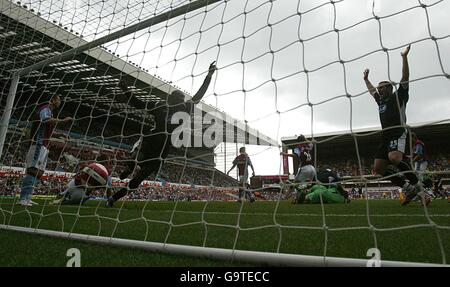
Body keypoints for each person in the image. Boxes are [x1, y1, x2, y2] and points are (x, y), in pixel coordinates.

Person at [107, 62, 217, 207]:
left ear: (170, 98)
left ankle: (128, 170)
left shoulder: (162, 106)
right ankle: (115, 195)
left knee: (138, 164)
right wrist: (209, 75)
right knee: (138, 178)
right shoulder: (184, 107)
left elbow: (137, 103)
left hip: (153, 142)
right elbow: (199, 94)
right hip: (162, 146)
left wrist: (125, 89)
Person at [363, 44, 429, 206]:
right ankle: (408, 188)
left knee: (394, 158)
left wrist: (404, 58)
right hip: (385, 135)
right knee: (378, 168)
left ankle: (421, 189)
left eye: (382, 87)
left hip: (398, 131)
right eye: (378, 87)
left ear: (389, 88)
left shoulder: (399, 95)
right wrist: (366, 80)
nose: (379, 89)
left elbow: (405, 78)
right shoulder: (381, 100)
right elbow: (371, 91)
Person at [18, 94, 73, 206]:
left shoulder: (50, 112)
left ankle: (28, 197)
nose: (60, 102)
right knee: (33, 170)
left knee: (38, 173)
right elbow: (45, 120)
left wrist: (60, 135)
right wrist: (62, 121)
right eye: (58, 99)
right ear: (51, 100)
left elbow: (49, 128)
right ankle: (22, 198)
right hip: (38, 144)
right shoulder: (45, 108)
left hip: (44, 145)